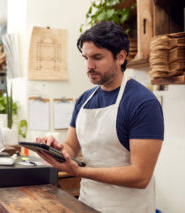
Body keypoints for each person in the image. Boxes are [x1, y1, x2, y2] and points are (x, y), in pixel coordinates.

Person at [34, 21, 164, 213]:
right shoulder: (85, 100)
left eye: (97, 57)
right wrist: (55, 148)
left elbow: (140, 176)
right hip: (88, 204)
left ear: (120, 57)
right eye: (85, 58)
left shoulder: (143, 103)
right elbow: (71, 146)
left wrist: (79, 171)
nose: (89, 66)